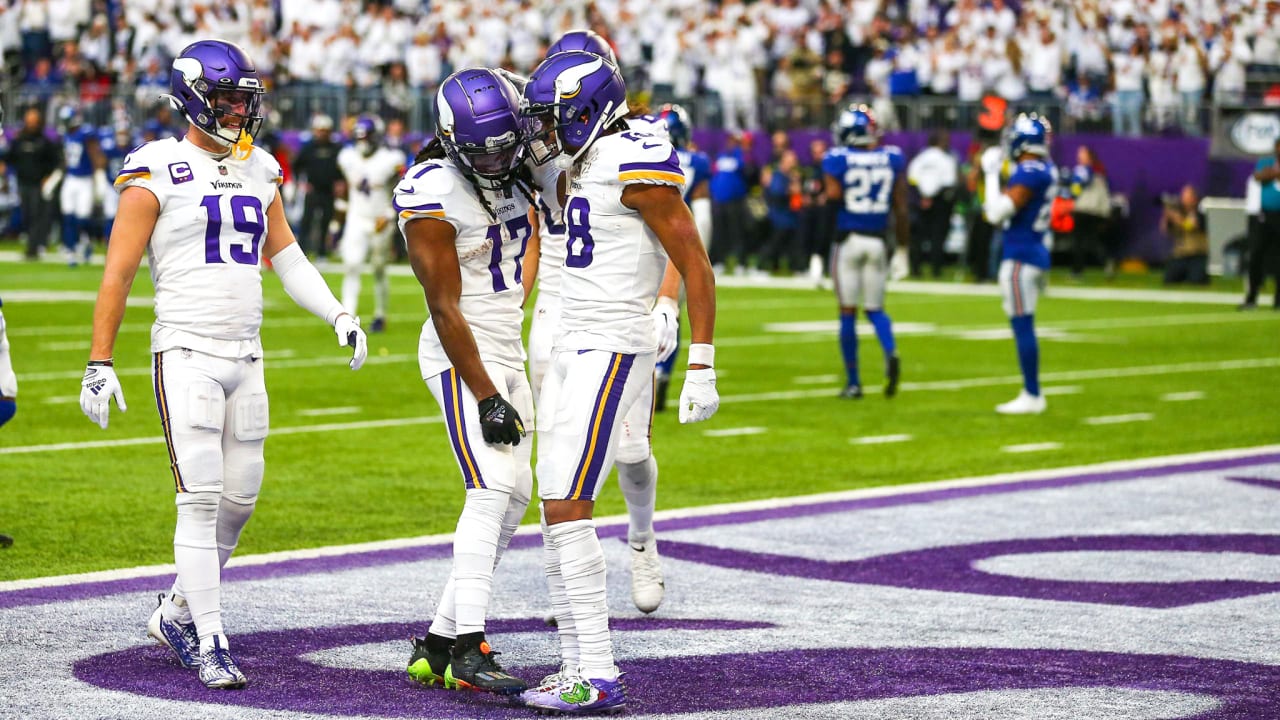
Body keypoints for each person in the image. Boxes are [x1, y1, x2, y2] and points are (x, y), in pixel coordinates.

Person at [77, 40, 368, 690]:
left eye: (245, 100)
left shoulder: (260, 167)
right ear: (191, 98)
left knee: (239, 501)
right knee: (201, 499)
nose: (239, 111)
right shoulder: (157, 167)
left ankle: (177, 612)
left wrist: (338, 314)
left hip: (248, 355)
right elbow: (119, 272)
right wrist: (100, 360)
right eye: (228, 99)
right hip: (186, 351)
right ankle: (210, 638)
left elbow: (286, 257)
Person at [517, 50, 719, 714]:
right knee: (555, 503)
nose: (547, 130)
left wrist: (701, 362)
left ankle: (597, 673)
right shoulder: (567, 158)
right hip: (568, 336)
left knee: (569, 501)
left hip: (612, 342)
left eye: (557, 118)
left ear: (590, 111)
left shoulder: (639, 157)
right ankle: (578, 664)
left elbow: (693, 261)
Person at [520, 31, 679, 619]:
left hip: (618, 300)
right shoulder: (542, 133)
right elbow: (536, 229)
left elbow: (674, 243)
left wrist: (666, 301)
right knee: (553, 454)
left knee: (632, 448)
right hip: (556, 308)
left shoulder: (638, 142)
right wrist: (514, 298)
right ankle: (565, 579)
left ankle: (642, 540)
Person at [399, 68, 534, 698]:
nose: (503, 160)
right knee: (489, 490)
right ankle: (468, 648)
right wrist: (485, 394)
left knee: (515, 497)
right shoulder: (431, 192)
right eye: (487, 152)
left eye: (509, 146)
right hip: (462, 353)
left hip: (508, 341)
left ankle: (437, 640)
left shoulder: (518, 156)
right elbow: (444, 307)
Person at [822, 104, 904, 401]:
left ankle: (854, 382)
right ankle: (890, 350)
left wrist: (818, 251)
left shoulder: (837, 159)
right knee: (876, 310)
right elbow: (901, 205)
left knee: (847, 312)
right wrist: (903, 248)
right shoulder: (891, 158)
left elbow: (832, 199)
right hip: (879, 241)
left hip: (849, 241)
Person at [981, 113, 1056, 414]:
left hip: (1021, 257)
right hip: (1034, 251)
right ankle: (1031, 392)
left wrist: (989, 174)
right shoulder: (1046, 168)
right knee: (1023, 323)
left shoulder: (1030, 172)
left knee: (1023, 325)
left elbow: (996, 213)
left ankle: (1032, 394)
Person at [652, 102, 711, 413]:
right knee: (672, 313)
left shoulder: (642, 153)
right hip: (683, 241)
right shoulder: (697, 161)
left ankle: (647, 376)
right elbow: (702, 215)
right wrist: (700, 257)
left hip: (648, 241)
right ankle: (663, 371)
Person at [337, 115, 405, 333]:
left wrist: (389, 214)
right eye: (359, 138)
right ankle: (347, 314)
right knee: (351, 264)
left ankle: (380, 314)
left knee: (378, 268)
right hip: (356, 216)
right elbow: (345, 188)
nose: (362, 143)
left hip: (380, 219)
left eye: (366, 138)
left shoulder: (391, 158)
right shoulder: (347, 156)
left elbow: (399, 189)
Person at [53, 105, 107, 265]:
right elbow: (67, 159)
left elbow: (95, 154)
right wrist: (56, 176)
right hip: (70, 179)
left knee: (82, 218)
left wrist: (99, 175)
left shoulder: (85, 134)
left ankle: (85, 241)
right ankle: (70, 249)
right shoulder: (67, 135)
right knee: (68, 215)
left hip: (85, 180)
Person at [7, 105, 60, 260]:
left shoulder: (44, 141)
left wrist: (48, 178)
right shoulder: (19, 140)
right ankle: (32, 244)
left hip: (39, 184)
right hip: (23, 182)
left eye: (34, 120)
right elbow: (10, 158)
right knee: (27, 214)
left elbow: (54, 162)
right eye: (29, 120)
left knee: (37, 215)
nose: (31, 123)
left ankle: (35, 247)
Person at [907, 129, 958, 278]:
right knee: (938, 237)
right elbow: (949, 181)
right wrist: (932, 197)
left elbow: (912, 178)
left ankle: (915, 269)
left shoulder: (921, 158)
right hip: (939, 201)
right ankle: (936, 270)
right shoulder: (946, 159)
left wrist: (923, 196)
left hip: (920, 200)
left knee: (918, 238)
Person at [291, 114, 341, 258]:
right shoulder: (309, 148)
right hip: (312, 189)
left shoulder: (335, 148)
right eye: (320, 130)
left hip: (329, 190)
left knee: (326, 220)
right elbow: (297, 166)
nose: (323, 133)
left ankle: (322, 252)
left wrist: (340, 182)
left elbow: (341, 168)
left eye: (325, 130)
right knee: (307, 220)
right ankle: (302, 251)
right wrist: (301, 182)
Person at [1241, 137, 1280, 310]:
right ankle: (1252, 297)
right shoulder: (1266, 162)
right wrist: (1274, 172)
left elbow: (1267, 175)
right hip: (1265, 216)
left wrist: (1272, 173)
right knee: (1256, 254)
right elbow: (1259, 176)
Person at [1069, 145, 1111, 278]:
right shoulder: (1098, 170)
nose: (1078, 156)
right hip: (1093, 210)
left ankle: (1078, 271)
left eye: (1081, 153)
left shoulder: (1086, 170)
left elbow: (1076, 188)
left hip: (1085, 209)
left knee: (1079, 241)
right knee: (1090, 240)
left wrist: (1071, 189)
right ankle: (1105, 262)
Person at [1162, 185, 1209, 285]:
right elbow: (1165, 230)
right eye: (1183, 196)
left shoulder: (1200, 212)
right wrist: (1166, 216)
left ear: (1194, 199)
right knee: (1169, 280)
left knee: (1197, 281)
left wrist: (1175, 217)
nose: (1184, 200)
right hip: (1180, 255)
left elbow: (1190, 226)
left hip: (1197, 255)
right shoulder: (1179, 212)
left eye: (1187, 197)